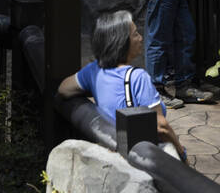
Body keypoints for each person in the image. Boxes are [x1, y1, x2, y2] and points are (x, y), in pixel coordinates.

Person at [57, 10, 187, 161]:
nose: (140, 38)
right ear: (121, 42)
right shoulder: (139, 78)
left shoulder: (94, 71)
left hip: (112, 148)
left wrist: (94, 87)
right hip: (141, 156)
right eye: (135, 34)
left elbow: (63, 89)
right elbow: (161, 127)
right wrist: (181, 152)